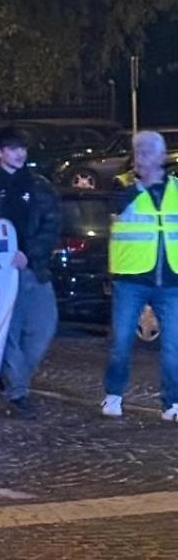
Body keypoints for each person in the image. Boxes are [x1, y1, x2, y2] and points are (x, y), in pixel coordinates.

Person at [0, 126, 60, 420]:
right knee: (9, 333)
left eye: (23, 148)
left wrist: (30, 255)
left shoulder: (39, 186)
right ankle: (18, 390)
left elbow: (52, 224)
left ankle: (12, 379)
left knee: (43, 326)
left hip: (33, 270)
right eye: (13, 148)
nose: (20, 154)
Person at [103, 130, 178, 421]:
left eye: (148, 151)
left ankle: (171, 402)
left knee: (173, 347)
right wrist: (140, 186)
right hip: (132, 278)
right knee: (121, 343)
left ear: (161, 156)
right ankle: (113, 394)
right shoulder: (121, 186)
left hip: (171, 280)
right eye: (138, 151)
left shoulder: (176, 189)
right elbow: (113, 208)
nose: (142, 156)